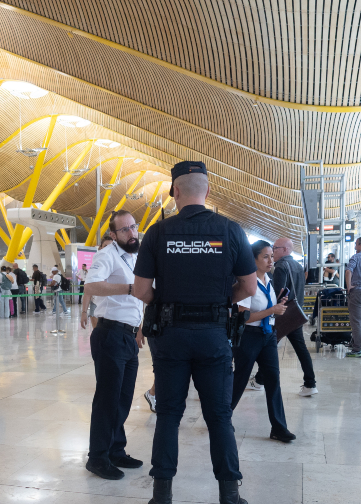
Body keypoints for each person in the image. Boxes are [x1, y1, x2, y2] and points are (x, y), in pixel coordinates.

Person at [131, 161, 258, 504]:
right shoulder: (231, 230)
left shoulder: (157, 233)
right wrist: (221, 300)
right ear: (208, 191)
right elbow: (249, 287)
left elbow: (141, 290)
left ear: (174, 192)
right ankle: (230, 495)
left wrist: (166, 303)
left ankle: (161, 496)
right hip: (214, 335)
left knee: (168, 415)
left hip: (169, 336)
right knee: (219, 417)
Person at [80, 210, 145, 480]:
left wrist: (140, 327)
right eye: (125, 229)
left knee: (123, 399)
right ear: (113, 234)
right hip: (110, 334)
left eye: (133, 227)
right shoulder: (107, 255)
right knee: (108, 400)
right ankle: (97, 457)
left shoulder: (135, 257)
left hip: (128, 336)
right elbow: (92, 285)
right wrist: (129, 288)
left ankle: (116, 449)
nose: (132, 233)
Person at [231, 241, 295, 443]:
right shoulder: (245, 283)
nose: (270, 261)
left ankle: (279, 427)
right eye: (265, 257)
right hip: (248, 336)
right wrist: (271, 310)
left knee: (273, 379)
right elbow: (243, 317)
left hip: (267, 335)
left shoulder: (268, 280)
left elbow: (268, 309)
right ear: (253, 259)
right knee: (240, 379)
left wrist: (277, 305)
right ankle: (220, 418)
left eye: (271, 256)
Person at [270, 238, 316, 396]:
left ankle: (261, 381)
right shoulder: (297, 265)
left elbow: (278, 293)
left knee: (268, 347)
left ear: (285, 249)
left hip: (282, 314)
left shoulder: (281, 266)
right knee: (301, 349)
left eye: (275, 248)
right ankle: (310, 384)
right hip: (295, 314)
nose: (272, 251)